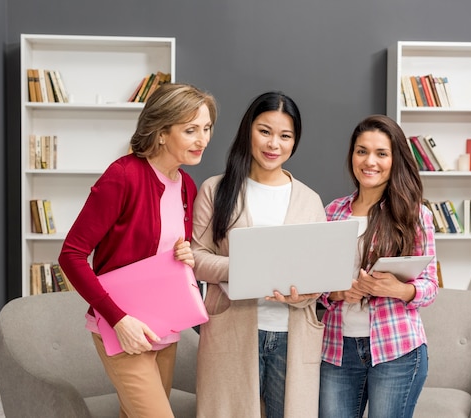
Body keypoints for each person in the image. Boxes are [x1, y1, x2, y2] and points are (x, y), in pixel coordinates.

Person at [58, 83, 217, 418]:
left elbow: (161, 252)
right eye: (190, 130)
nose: (203, 140)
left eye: (206, 128)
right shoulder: (123, 176)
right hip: (122, 327)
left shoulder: (187, 186)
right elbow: (71, 255)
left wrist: (184, 256)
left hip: (166, 327)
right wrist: (117, 320)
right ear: (161, 133)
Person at [192, 91, 326, 418]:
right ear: (248, 130)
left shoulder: (310, 201)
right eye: (265, 131)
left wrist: (304, 295)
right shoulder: (216, 189)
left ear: (295, 141)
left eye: (285, 136)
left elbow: (319, 274)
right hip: (231, 331)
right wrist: (247, 268)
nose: (273, 144)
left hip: (291, 336)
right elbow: (195, 258)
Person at [318, 114, 438, 418]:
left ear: (395, 159)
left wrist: (400, 289)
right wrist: (337, 293)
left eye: (381, 153)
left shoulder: (414, 215)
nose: (369, 161)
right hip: (337, 350)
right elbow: (315, 285)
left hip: (397, 349)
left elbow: (430, 287)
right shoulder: (332, 211)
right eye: (362, 151)